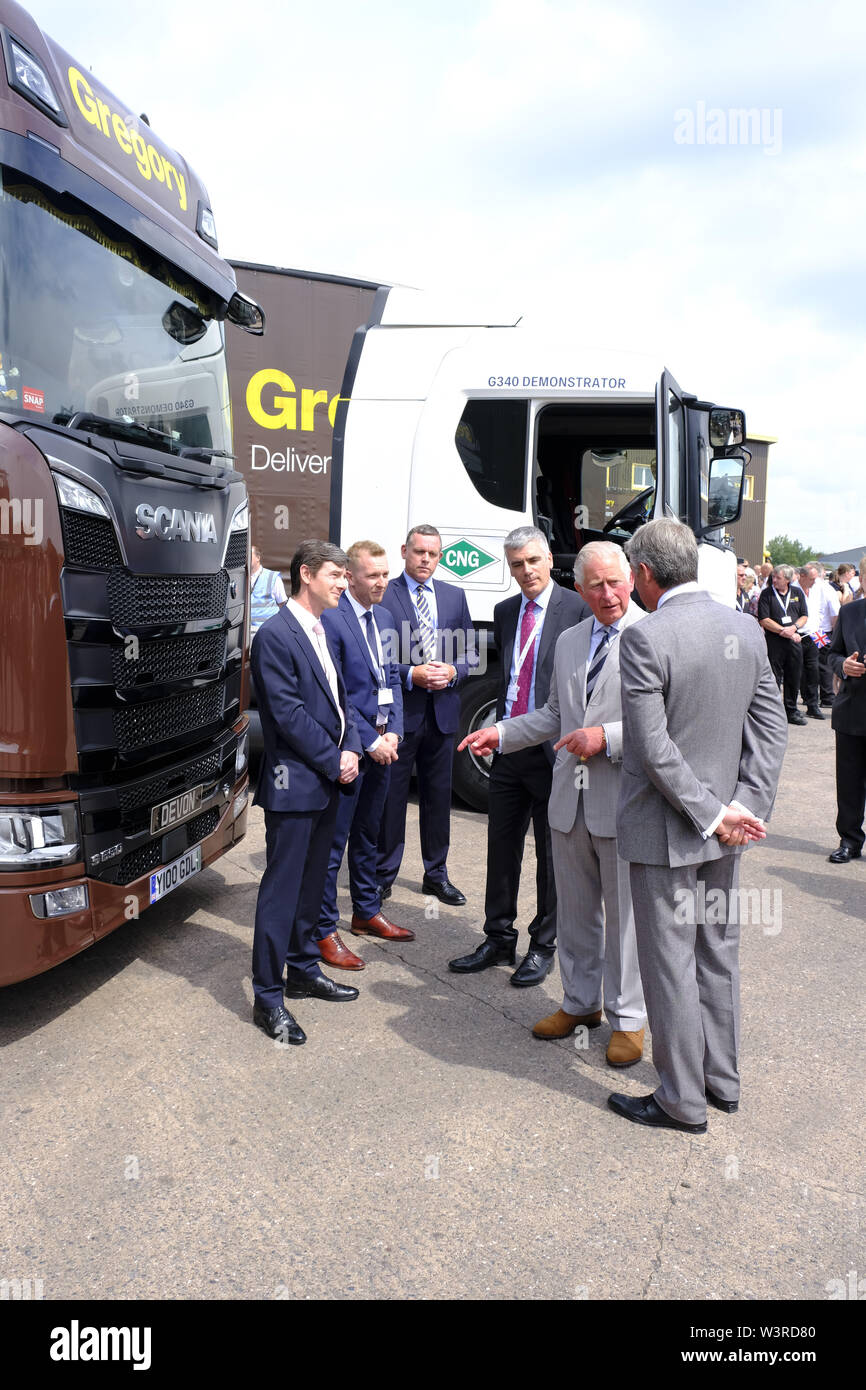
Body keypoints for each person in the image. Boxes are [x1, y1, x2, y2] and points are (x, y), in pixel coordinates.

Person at [608, 519, 787, 1133]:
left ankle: (681, 1100)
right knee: (717, 953)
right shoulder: (744, 628)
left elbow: (653, 750)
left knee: (670, 965)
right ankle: (721, 1082)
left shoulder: (645, 637)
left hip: (670, 831)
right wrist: (744, 809)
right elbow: (771, 729)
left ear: (645, 574)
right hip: (728, 829)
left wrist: (715, 813)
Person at [457, 542, 648, 1067]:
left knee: (625, 919)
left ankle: (628, 1019)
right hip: (570, 800)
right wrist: (499, 731)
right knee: (579, 913)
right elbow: (552, 716)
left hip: (622, 801)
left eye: (615, 583)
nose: (607, 594)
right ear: (580, 589)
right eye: (595, 586)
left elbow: (667, 726)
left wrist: (605, 737)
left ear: (631, 579)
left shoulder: (652, 636)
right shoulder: (569, 640)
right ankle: (581, 1004)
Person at [448, 526, 590, 987]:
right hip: (509, 746)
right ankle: (498, 937)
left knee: (552, 855)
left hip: (553, 751)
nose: (525, 571)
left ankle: (543, 944)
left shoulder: (578, 608)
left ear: (549, 560)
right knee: (501, 847)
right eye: (516, 564)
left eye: (532, 561)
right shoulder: (506, 610)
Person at [250, 540, 363, 1044]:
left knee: (314, 886)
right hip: (295, 785)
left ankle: (301, 969)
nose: (345, 583)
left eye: (345, 575)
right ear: (306, 575)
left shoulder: (324, 628)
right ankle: (268, 998)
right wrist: (333, 758)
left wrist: (354, 746)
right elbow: (287, 714)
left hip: (329, 781)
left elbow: (342, 702)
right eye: (337, 575)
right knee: (282, 892)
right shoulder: (275, 635)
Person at [316, 541, 414, 967]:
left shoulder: (386, 616)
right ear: (350, 576)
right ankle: (323, 931)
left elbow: (391, 677)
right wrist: (369, 742)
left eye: (385, 574)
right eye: (372, 575)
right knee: (334, 842)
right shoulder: (332, 621)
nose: (381, 582)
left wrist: (393, 732)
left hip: (383, 748)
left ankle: (366, 912)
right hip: (352, 751)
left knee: (369, 835)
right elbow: (336, 692)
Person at [377, 524, 476, 906]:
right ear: (404, 550)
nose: (425, 560)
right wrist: (409, 674)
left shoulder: (454, 596)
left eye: (433, 554)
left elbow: (471, 653)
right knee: (392, 799)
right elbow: (377, 657)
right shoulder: (387, 596)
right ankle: (383, 874)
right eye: (419, 552)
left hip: (443, 715)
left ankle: (436, 875)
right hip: (401, 716)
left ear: (440, 556)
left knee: (438, 799)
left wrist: (453, 672)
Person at [827, 558, 866, 864]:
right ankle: (850, 841)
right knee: (849, 782)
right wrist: (844, 665)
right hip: (852, 709)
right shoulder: (850, 611)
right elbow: (832, 653)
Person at [757, 565, 809, 724]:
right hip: (775, 642)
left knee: (793, 676)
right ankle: (772, 712)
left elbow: (804, 615)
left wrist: (794, 628)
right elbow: (764, 619)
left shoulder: (797, 593)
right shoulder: (767, 594)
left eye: (777, 578)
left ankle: (791, 710)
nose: (774, 580)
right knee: (773, 677)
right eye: (773, 577)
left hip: (794, 641)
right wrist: (783, 630)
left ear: (787, 579)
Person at [249, 545, 288, 634]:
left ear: (258, 557)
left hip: (267, 631)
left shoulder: (272, 577)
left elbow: (282, 604)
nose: (245, 558)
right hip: (246, 632)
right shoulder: (241, 578)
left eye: (249, 555)